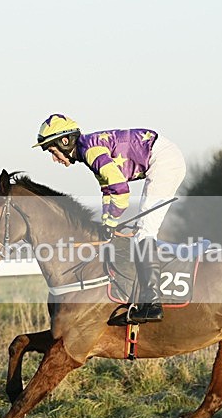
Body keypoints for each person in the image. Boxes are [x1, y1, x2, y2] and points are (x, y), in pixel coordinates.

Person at [33, 114, 186, 323]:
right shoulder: (90, 151)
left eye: (53, 151)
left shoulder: (91, 151)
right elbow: (108, 191)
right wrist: (108, 222)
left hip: (164, 161)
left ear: (65, 141)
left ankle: (152, 302)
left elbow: (121, 190)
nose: (54, 158)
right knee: (141, 231)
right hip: (161, 156)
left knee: (145, 231)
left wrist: (111, 221)